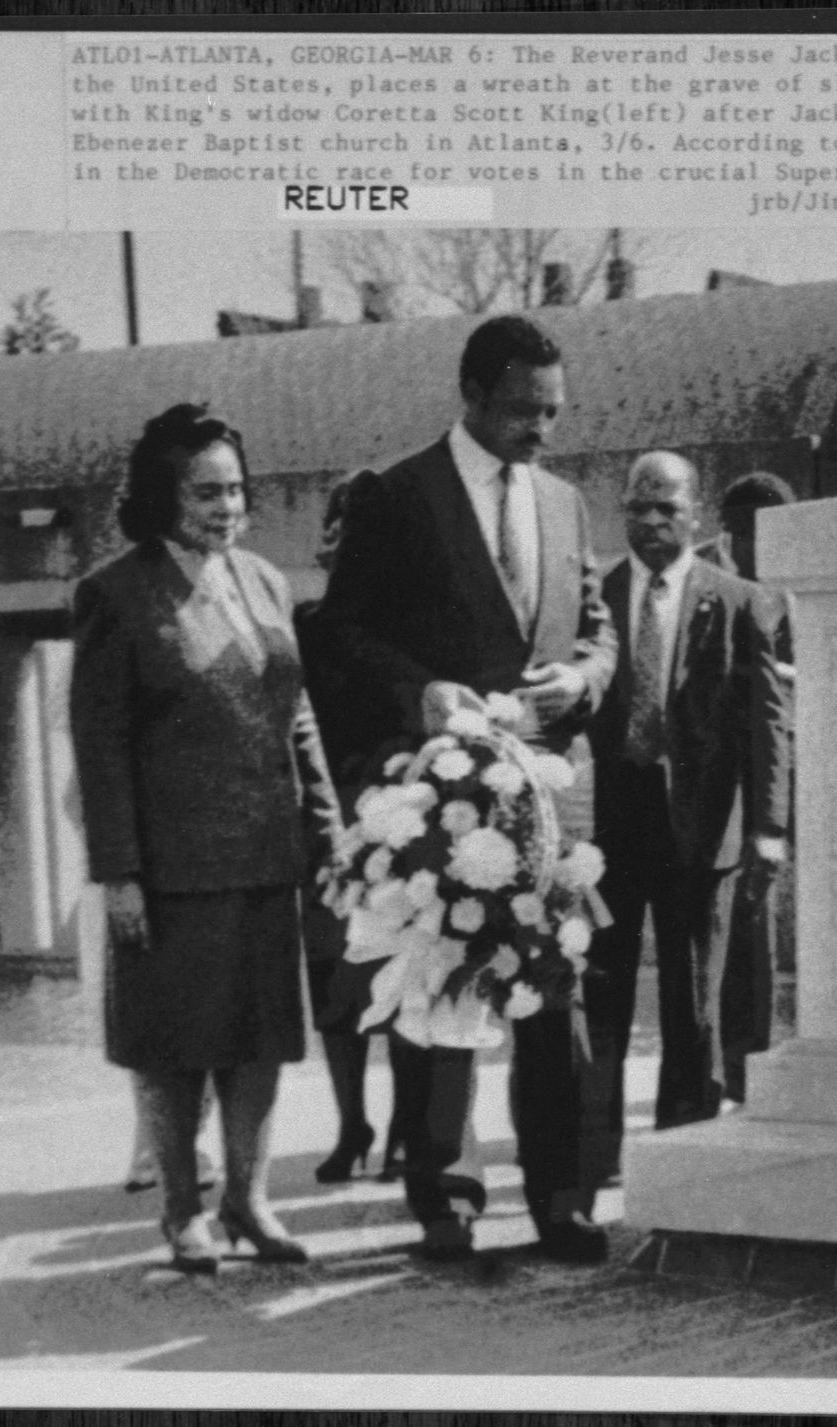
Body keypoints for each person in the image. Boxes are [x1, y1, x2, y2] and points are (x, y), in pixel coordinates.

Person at [317, 314, 619, 1264]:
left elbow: (597, 625)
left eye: (555, 412)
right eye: (527, 411)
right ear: (474, 396)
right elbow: (339, 635)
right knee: (444, 989)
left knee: (553, 998)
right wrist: (419, 692)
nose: (543, 430)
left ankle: (562, 1200)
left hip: (551, 797)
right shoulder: (398, 496)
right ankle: (443, 1194)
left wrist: (587, 677)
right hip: (447, 792)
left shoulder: (567, 502)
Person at [70, 403, 343, 1274]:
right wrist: (119, 873)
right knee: (174, 1045)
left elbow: (295, 711)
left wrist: (328, 827)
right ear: (162, 495)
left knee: (260, 1040)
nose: (227, 506)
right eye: (206, 491)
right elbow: (100, 742)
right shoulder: (115, 592)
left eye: (236, 489)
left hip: (268, 856)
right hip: (172, 868)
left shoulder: (266, 580)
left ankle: (250, 1203)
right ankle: (185, 1213)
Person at [587, 452, 791, 1162]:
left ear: (696, 515)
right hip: (608, 830)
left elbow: (766, 720)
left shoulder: (737, 600)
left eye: (666, 508)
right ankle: (599, 1154)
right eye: (636, 508)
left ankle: (681, 1150)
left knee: (692, 998)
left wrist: (768, 827)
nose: (648, 521)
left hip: (699, 830)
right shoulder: (594, 595)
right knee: (600, 993)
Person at [294, 477, 408, 1183]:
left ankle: (402, 1123)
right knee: (334, 984)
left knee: (397, 982)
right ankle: (352, 1123)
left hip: (397, 826)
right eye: (338, 527)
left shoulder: (408, 627)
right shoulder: (302, 625)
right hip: (325, 826)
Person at [697, 471, 799, 1101]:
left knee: (757, 928)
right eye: (746, 536)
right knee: (724, 932)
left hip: (776, 769)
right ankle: (722, 1070)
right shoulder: (708, 579)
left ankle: (750, 1065)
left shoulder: (806, 575)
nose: (762, 550)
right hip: (720, 771)